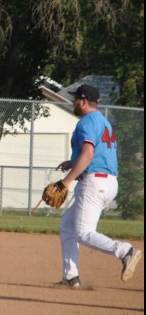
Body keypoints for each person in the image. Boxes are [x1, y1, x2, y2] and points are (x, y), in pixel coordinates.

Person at [54, 84, 141, 287]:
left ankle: (125, 251)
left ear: (83, 102)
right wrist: (72, 163)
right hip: (107, 181)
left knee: (84, 232)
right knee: (67, 226)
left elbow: (89, 154)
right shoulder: (103, 121)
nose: (73, 102)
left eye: (75, 99)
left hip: (94, 182)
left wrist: (66, 182)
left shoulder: (87, 121)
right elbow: (96, 154)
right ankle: (70, 277)